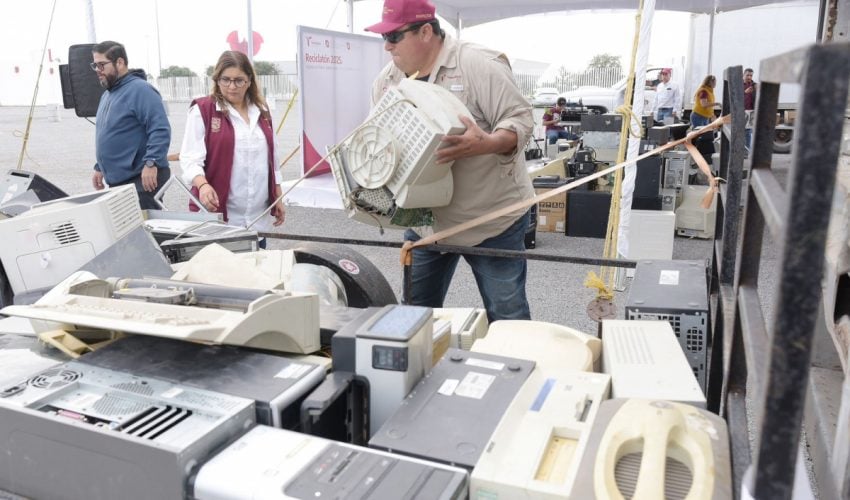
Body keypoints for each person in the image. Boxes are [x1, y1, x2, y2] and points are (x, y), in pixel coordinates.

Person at [366, 0, 534, 322]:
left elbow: (521, 120)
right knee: (413, 317)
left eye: (394, 36)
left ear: (425, 32)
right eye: (383, 37)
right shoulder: (387, 82)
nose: (387, 46)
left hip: (489, 220)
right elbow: (378, 139)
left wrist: (486, 144)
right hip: (425, 224)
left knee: (508, 317)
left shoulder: (478, 65)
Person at [179, 51, 285, 245]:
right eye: (225, 79)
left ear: (249, 80)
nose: (232, 86)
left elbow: (273, 158)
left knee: (258, 261)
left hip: (257, 218)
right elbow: (190, 159)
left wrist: (277, 194)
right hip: (220, 218)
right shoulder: (202, 110)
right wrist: (202, 185)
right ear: (217, 79)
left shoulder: (262, 110)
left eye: (239, 80)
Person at [91, 41, 170, 210]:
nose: (97, 70)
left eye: (101, 65)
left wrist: (151, 163)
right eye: (95, 65)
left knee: (143, 226)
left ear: (119, 62)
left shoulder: (141, 90)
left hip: (142, 179)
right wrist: (100, 167)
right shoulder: (107, 95)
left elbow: (160, 129)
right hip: (119, 181)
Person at [743, 68, 757, 149]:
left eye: (751, 75)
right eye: (747, 75)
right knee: (738, 132)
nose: (749, 77)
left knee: (748, 132)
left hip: (751, 111)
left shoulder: (754, 85)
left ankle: (747, 151)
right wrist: (745, 92)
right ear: (743, 75)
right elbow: (735, 97)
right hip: (740, 111)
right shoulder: (738, 84)